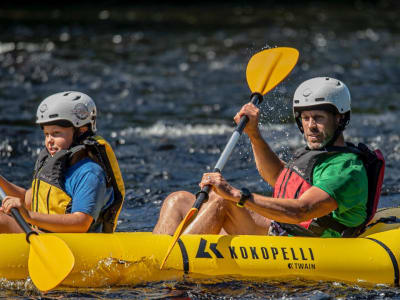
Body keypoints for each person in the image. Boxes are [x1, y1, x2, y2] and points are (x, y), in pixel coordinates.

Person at [153, 77, 378, 238]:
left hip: (307, 242)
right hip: (284, 228)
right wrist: (254, 134)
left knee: (223, 201)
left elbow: (302, 210)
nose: (311, 126)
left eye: (318, 118)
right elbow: (279, 178)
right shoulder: (319, 155)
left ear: (339, 119)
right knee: (179, 199)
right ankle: (157, 249)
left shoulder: (346, 169)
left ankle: (171, 262)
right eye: (306, 118)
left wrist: (236, 195)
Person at [0, 91, 125, 233]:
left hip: (74, 244)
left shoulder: (89, 173)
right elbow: (26, 199)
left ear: (81, 131)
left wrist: (28, 216)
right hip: (45, 235)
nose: (49, 141)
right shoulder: (56, 164)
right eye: (46, 134)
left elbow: (81, 223)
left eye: (56, 133)